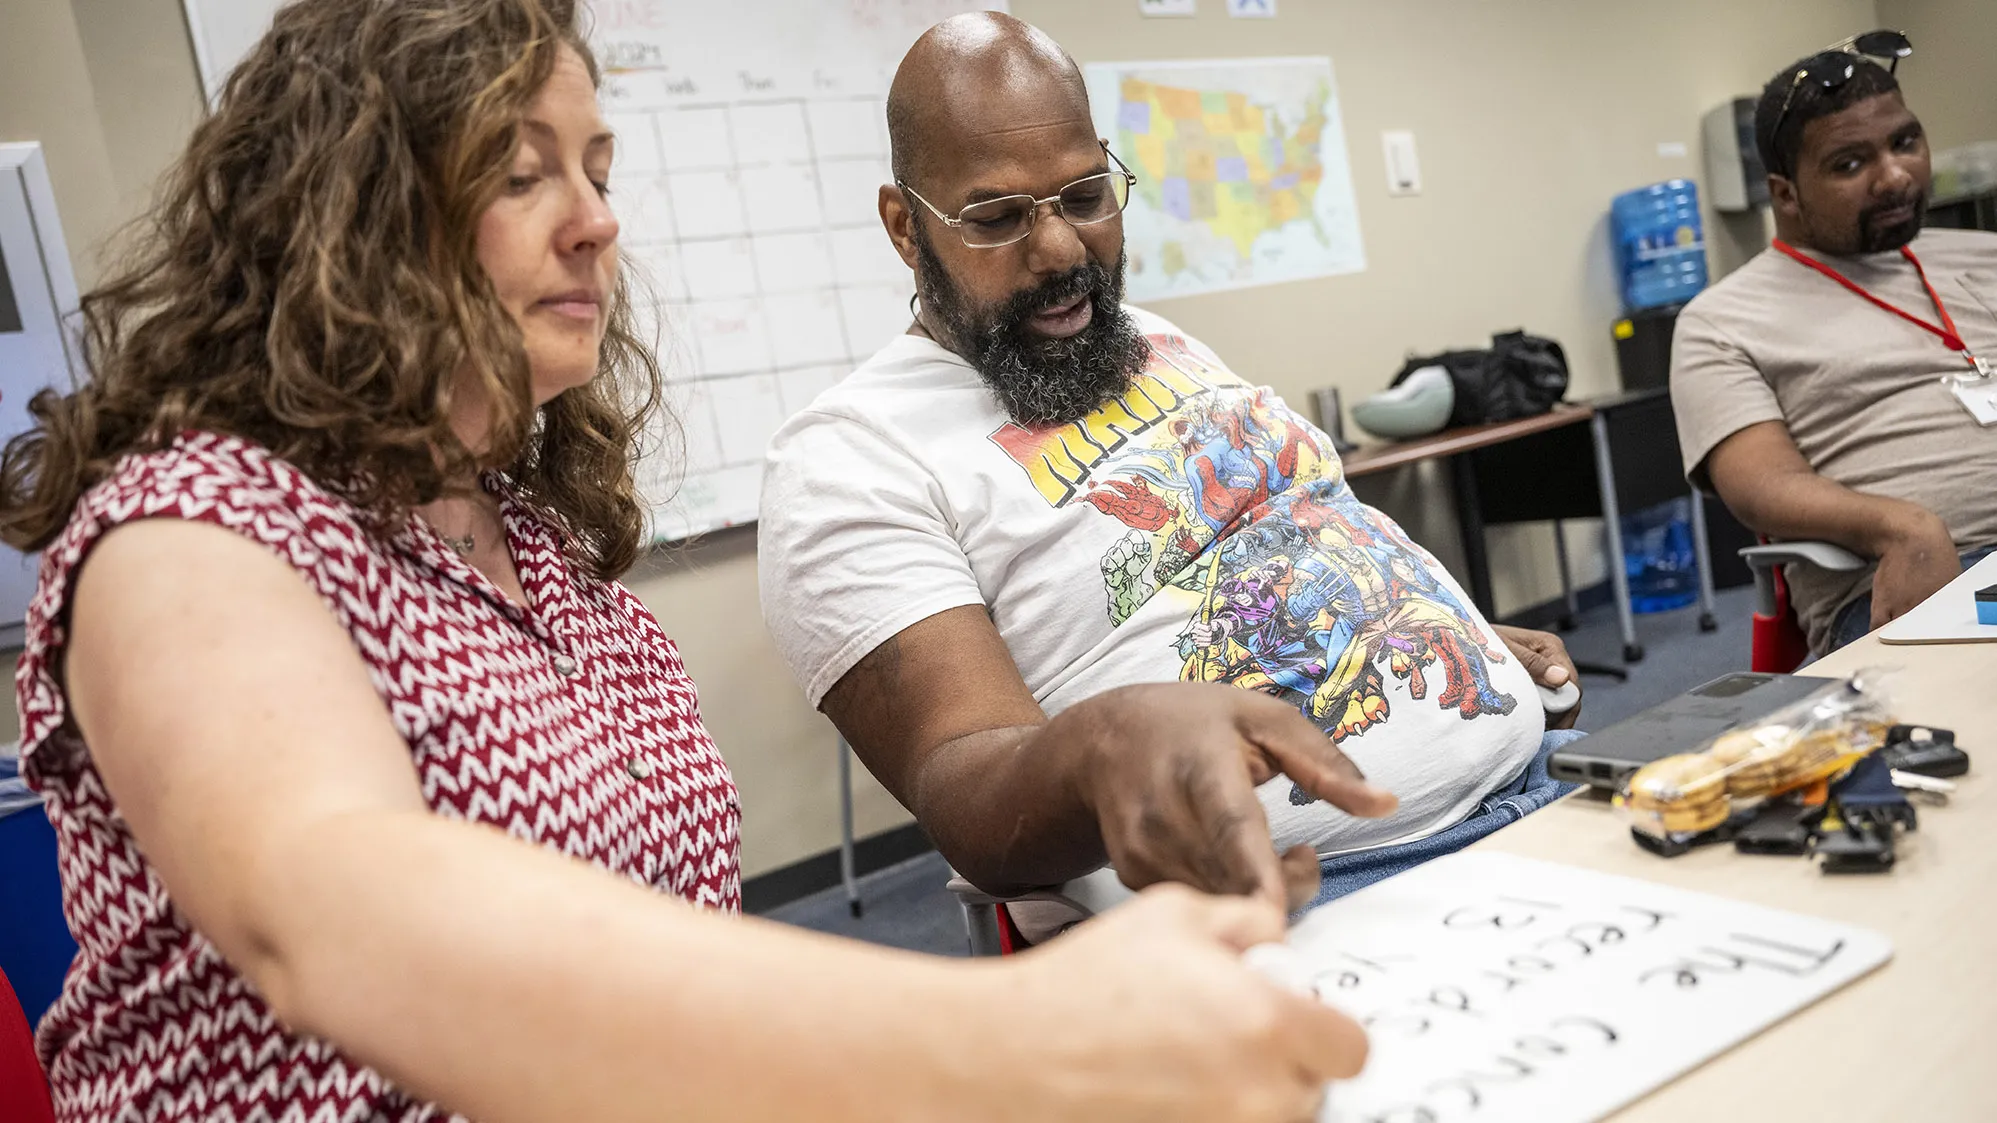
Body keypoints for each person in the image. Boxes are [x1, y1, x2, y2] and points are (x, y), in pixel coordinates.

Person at [0, 2, 1369, 1119]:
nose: (596, 218)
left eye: (597, 168)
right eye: (520, 169)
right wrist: (1017, 1029)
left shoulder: (534, 542)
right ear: (347, 212)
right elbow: (337, 909)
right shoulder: (187, 529)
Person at [758, 13, 1583, 930]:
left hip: (1543, 769)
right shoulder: (848, 456)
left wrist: (1441, 625)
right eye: (996, 218)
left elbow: (1289, 521)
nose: (1062, 252)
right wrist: (1111, 740)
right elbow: (969, 792)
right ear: (905, 228)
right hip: (1309, 894)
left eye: (1083, 196)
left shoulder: (1152, 341)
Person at [1672, 35, 1997, 655]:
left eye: (1905, 142)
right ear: (1785, 193)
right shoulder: (1721, 320)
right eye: (1850, 164)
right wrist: (1900, 525)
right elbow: (1759, 482)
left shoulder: (1984, 255)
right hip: (1920, 576)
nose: (1896, 176)